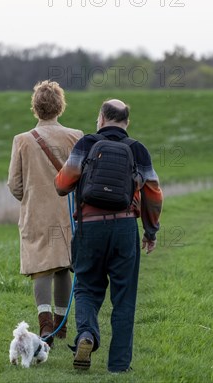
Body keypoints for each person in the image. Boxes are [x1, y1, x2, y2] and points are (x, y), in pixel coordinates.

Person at [54, 99, 163, 373]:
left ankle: (87, 335)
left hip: (90, 227)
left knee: (86, 287)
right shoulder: (138, 150)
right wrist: (150, 231)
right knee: (124, 297)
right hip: (125, 227)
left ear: (101, 119)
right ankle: (118, 366)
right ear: (127, 122)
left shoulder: (86, 144)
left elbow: (62, 184)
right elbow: (154, 193)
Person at [7, 80, 83, 346]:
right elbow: (83, 177)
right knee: (63, 267)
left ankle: (45, 327)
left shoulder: (22, 140)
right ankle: (61, 327)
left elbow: (14, 184)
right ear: (60, 106)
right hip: (67, 213)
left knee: (41, 269)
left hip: (35, 214)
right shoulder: (76, 136)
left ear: (35, 108)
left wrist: (30, 198)